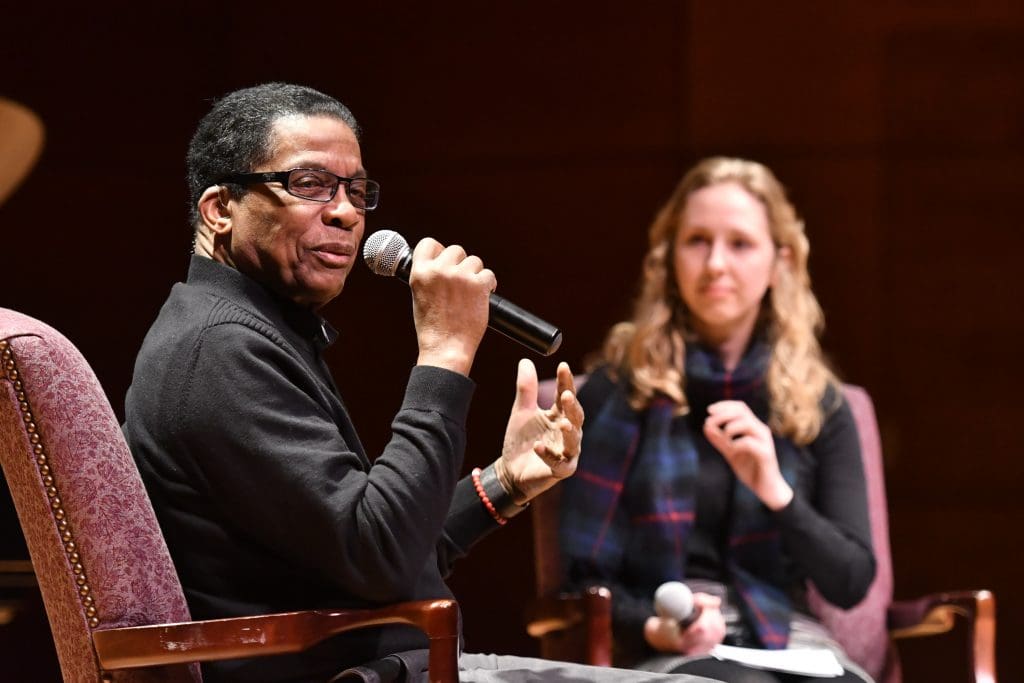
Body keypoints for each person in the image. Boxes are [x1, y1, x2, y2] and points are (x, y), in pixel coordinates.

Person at [122, 83, 716, 683]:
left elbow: (387, 554)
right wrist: (446, 352)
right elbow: (378, 553)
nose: (345, 212)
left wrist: (504, 482)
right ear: (220, 208)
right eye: (308, 184)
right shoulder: (219, 349)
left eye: (355, 190)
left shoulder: (243, 334)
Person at [558, 157, 876, 682]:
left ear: (781, 261)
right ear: (668, 257)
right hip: (677, 645)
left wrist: (776, 491)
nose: (715, 265)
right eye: (697, 240)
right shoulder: (622, 390)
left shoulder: (818, 402)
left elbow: (850, 580)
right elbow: (581, 581)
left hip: (796, 642)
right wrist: (656, 627)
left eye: (741, 244)